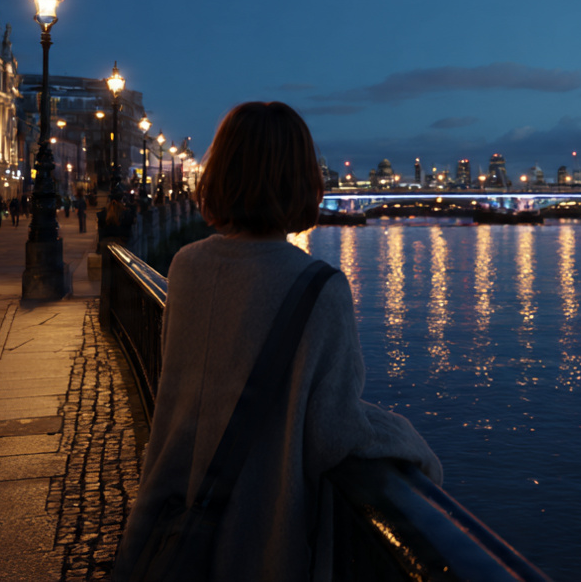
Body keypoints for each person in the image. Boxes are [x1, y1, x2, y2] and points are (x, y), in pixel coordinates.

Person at [113, 101, 440, 582]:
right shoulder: (321, 286)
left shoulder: (186, 267)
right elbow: (334, 430)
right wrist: (409, 441)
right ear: (303, 181)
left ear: (220, 174)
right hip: (261, 540)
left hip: (173, 524)